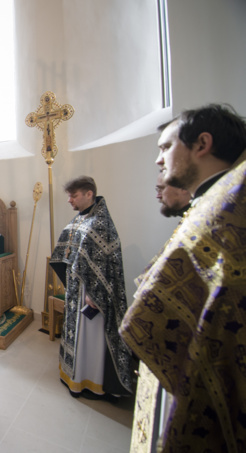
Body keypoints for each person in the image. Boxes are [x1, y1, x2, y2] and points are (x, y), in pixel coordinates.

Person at [120, 104, 246, 452]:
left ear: (201, 144)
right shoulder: (211, 202)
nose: (159, 161)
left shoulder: (228, 205)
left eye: (166, 147)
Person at [49, 176, 134, 400]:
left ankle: (91, 381)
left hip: (93, 297)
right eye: (69, 195)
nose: (69, 200)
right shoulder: (82, 219)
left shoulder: (100, 222)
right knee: (76, 335)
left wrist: (93, 293)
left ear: (89, 194)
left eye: (73, 196)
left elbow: (104, 265)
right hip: (77, 291)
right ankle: (73, 376)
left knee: (90, 339)